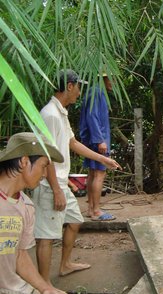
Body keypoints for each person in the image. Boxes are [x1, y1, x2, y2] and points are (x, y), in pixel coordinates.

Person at [32, 69, 121, 283]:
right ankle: (45, 286)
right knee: (46, 237)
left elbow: (72, 143)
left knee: (75, 221)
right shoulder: (50, 114)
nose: (80, 92)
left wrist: (103, 160)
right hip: (49, 184)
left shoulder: (61, 112)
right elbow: (47, 157)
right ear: (70, 86)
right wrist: (56, 190)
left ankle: (65, 265)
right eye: (78, 87)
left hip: (61, 181)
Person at [0, 132, 88, 294]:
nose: (46, 173)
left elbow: (20, 255)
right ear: (23, 161)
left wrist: (44, 288)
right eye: (43, 165)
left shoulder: (26, 206)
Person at [79, 73, 115, 221]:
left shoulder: (93, 92)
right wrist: (100, 140)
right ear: (104, 79)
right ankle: (96, 210)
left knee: (93, 173)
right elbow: (92, 117)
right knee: (100, 174)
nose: (113, 83)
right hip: (97, 140)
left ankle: (91, 209)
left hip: (92, 139)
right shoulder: (97, 93)